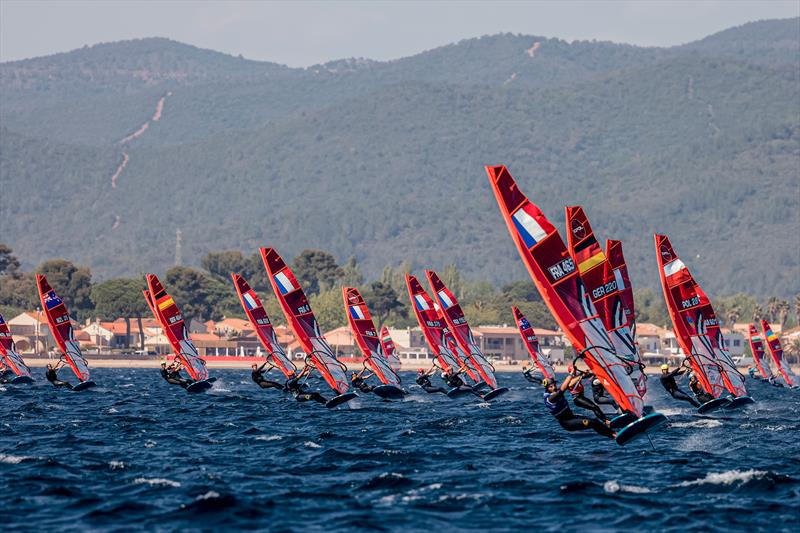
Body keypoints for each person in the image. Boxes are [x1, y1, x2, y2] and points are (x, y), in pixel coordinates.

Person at [543, 376, 615, 439]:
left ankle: (612, 433)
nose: (554, 387)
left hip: (573, 417)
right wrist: (570, 375)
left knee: (595, 421)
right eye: (551, 386)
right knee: (591, 422)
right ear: (547, 388)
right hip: (567, 423)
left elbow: (567, 384)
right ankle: (612, 435)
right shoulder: (550, 398)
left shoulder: (555, 392)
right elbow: (563, 388)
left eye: (554, 385)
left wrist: (581, 375)